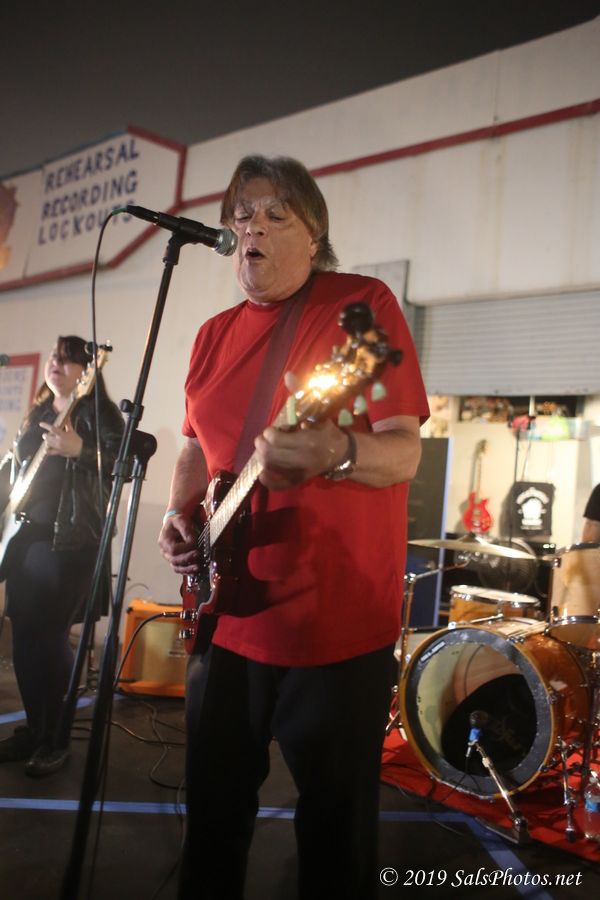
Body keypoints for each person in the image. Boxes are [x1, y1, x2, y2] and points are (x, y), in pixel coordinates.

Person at [158, 155, 430, 900]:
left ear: (315, 236)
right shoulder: (211, 335)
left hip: (333, 625)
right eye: (241, 216)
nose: (253, 228)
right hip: (226, 617)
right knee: (212, 824)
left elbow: (404, 450)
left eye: (277, 215)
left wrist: (335, 450)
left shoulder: (359, 307)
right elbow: (194, 445)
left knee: (335, 837)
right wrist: (180, 515)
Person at [0, 336, 124, 776]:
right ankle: (35, 730)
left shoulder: (97, 413)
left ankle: (56, 739)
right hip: (25, 539)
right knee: (25, 639)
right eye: (54, 357)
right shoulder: (39, 412)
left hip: (69, 543)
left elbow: (124, 461)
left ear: (88, 370)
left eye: (68, 360)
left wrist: (80, 451)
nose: (56, 363)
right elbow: (14, 471)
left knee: (50, 639)